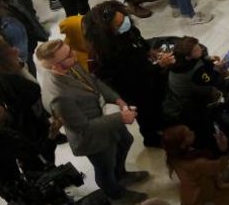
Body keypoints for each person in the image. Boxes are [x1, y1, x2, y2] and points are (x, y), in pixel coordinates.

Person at [35, 39, 149, 204]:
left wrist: (117, 100)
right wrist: (120, 117)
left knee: (126, 141)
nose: (74, 54)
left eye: (70, 50)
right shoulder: (59, 96)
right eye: (68, 54)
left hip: (104, 117)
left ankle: (121, 175)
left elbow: (94, 82)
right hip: (93, 138)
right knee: (105, 168)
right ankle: (116, 195)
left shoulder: (70, 65)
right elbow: (83, 128)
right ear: (56, 67)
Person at [161, 124, 229, 205]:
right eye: (188, 134)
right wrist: (224, 149)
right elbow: (220, 166)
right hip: (205, 197)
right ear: (183, 144)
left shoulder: (174, 158)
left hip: (196, 192)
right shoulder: (197, 164)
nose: (192, 132)